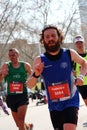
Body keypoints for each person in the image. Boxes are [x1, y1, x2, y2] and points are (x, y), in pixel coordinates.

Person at [26, 25, 87, 130]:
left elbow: (84, 62)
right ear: (43, 40)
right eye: (47, 37)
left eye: (53, 36)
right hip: (54, 105)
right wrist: (36, 74)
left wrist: (81, 76)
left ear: (59, 37)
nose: (50, 39)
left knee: (69, 127)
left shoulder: (69, 53)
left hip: (71, 100)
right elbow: (30, 85)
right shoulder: (40, 60)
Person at [0, 48, 33, 130]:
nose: (12, 57)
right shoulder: (6, 65)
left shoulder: (25, 65)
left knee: (21, 121)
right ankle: (28, 126)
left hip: (22, 95)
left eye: (14, 55)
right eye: (10, 56)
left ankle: (26, 126)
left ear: (18, 55)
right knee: (18, 124)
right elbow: (0, 79)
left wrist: (29, 81)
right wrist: (2, 74)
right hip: (11, 96)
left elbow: (33, 75)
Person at [73, 35, 87, 106]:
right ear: (75, 45)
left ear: (84, 43)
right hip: (82, 85)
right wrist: (73, 74)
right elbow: (71, 71)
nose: (79, 45)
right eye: (77, 43)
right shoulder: (74, 57)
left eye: (81, 42)